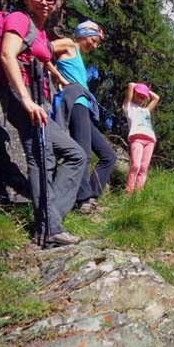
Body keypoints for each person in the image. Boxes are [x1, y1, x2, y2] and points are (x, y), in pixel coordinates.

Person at [0, 0, 85, 246]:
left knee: (76, 155)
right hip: (22, 97)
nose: (45, 2)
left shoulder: (40, 31)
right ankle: (50, 228)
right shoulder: (18, 19)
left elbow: (42, 58)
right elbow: (6, 55)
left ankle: (49, 220)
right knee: (41, 158)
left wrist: (59, 78)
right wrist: (26, 100)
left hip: (40, 101)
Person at [48, 20, 116, 214]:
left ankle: (92, 194)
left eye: (97, 43)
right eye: (93, 40)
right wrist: (58, 77)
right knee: (84, 154)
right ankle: (83, 200)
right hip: (75, 103)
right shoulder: (69, 44)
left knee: (108, 156)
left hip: (84, 106)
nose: (94, 45)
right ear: (83, 34)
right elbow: (42, 51)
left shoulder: (76, 53)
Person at [122, 82, 159, 193]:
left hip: (150, 140)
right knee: (136, 165)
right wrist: (138, 86)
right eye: (139, 95)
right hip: (137, 138)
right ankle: (128, 192)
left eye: (143, 98)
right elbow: (130, 85)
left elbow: (157, 98)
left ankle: (137, 195)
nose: (140, 99)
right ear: (134, 94)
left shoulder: (146, 110)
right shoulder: (128, 107)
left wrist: (145, 90)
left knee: (143, 168)